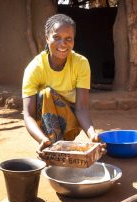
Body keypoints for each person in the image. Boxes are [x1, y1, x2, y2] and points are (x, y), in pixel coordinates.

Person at [22, 14, 103, 154]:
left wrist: (92, 135)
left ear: (73, 41)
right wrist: (42, 140)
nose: (63, 43)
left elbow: (82, 108)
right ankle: (52, 146)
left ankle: (58, 148)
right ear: (47, 38)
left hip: (70, 122)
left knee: (49, 95)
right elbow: (28, 115)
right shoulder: (34, 68)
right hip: (43, 125)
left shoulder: (81, 63)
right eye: (56, 37)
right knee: (46, 94)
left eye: (68, 39)